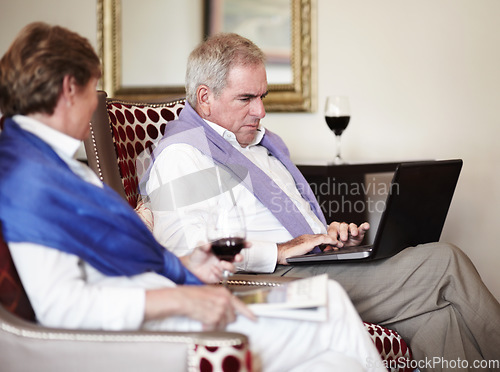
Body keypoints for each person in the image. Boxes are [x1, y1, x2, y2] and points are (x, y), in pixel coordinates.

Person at [0, 23, 388, 372]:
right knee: (330, 304)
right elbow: (63, 308)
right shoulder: (29, 181)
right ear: (70, 88)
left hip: (170, 301)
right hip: (152, 330)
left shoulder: (58, 167)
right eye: (91, 90)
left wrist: (187, 263)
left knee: (335, 353)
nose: (93, 106)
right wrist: (181, 301)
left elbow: (115, 257)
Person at [142, 33, 500, 371]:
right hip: (268, 282)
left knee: (438, 317)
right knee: (443, 261)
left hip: (315, 263)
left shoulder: (261, 147)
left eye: (262, 96)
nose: (261, 111)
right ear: (205, 98)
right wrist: (281, 250)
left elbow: (292, 220)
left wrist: (329, 236)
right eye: (246, 99)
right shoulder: (184, 156)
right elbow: (186, 252)